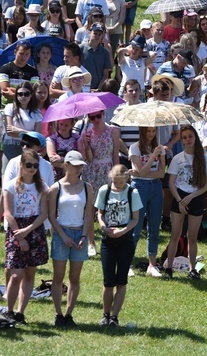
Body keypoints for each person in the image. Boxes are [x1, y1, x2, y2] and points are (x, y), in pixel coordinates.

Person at [48, 151, 94, 328]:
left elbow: (88, 215)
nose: (79, 168)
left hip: (79, 233)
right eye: (75, 165)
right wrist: (63, 236)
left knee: (75, 277)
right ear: (66, 165)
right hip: (61, 234)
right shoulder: (55, 188)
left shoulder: (87, 187)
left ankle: (69, 313)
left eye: (80, 165)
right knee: (58, 276)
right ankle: (58, 313)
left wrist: (84, 236)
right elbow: (52, 216)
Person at [3, 149, 49, 325]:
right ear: (21, 165)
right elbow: (8, 213)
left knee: (30, 273)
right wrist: (20, 236)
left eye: (35, 166)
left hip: (34, 228)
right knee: (16, 275)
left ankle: (21, 312)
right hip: (16, 229)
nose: (32, 169)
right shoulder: (10, 186)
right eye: (28, 165)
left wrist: (29, 230)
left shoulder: (42, 187)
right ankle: (9, 311)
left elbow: (44, 213)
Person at [95, 164, 142, 328]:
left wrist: (123, 231)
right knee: (108, 281)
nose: (119, 185)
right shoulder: (104, 190)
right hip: (107, 239)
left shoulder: (132, 192)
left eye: (121, 182)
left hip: (125, 240)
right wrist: (102, 226)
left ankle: (115, 316)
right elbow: (99, 213)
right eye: (116, 182)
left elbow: (135, 219)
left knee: (121, 281)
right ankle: (105, 315)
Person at [164, 125, 207, 280]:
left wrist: (191, 197)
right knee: (175, 235)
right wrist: (179, 200)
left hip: (195, 197)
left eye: (190, 136)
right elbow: (171, 183)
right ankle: (169, 268)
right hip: (180, 197)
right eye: (184, 137)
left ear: (195, 137)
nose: (187, 140)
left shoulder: (203, 157)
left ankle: (192, 269)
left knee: (192, 236)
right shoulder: (178, 158)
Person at [129, 127, 166, 278]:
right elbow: (141, 173)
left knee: (155, 225)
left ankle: (152, 264)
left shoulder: (160, 147)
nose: (151, 134)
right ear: (142, 132)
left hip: (156, 186)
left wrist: (142, 171)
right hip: (139, 187)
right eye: (148, 131)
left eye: (153, 131)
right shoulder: (135, 148)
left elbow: (162, 173)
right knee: (135, 227)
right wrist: (153, 157)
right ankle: (127, 263)